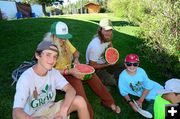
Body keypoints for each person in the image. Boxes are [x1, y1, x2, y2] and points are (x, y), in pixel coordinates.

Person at [43, 21, 121, 119]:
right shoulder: (48, 48)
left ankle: (109, 102)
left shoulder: (65, 41)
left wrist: (76, 60)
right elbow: (48, 71)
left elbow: (76, 53)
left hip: (71, 69)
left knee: (92, 75)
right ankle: (88, 115)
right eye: (61, 37)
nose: (64, 40)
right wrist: (68, 72)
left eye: (65, 37)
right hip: (59, 75)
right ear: (53, 36)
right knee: (78, 85)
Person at [12, 40, 90, 119]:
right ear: (37, 55)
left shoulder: (53, 72)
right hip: (33, 115)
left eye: (55, 56)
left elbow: (70, 90)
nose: (52, 60)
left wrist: (63, 111)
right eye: (48, 55)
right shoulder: (26, 78)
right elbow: (16, 112)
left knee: (80, 101)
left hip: (49, 108)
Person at [86, 18, 122, 86]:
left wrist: (112, 54)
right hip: (95, 69)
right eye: (106, 30)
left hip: (104, 63)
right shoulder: (96, 46)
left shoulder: (107, 38)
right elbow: (92, 65)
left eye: (110, 30)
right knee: (113, 81)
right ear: (100, 29)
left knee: (125, 66)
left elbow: (110, 44)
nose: (108, 33)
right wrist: (108, 64)